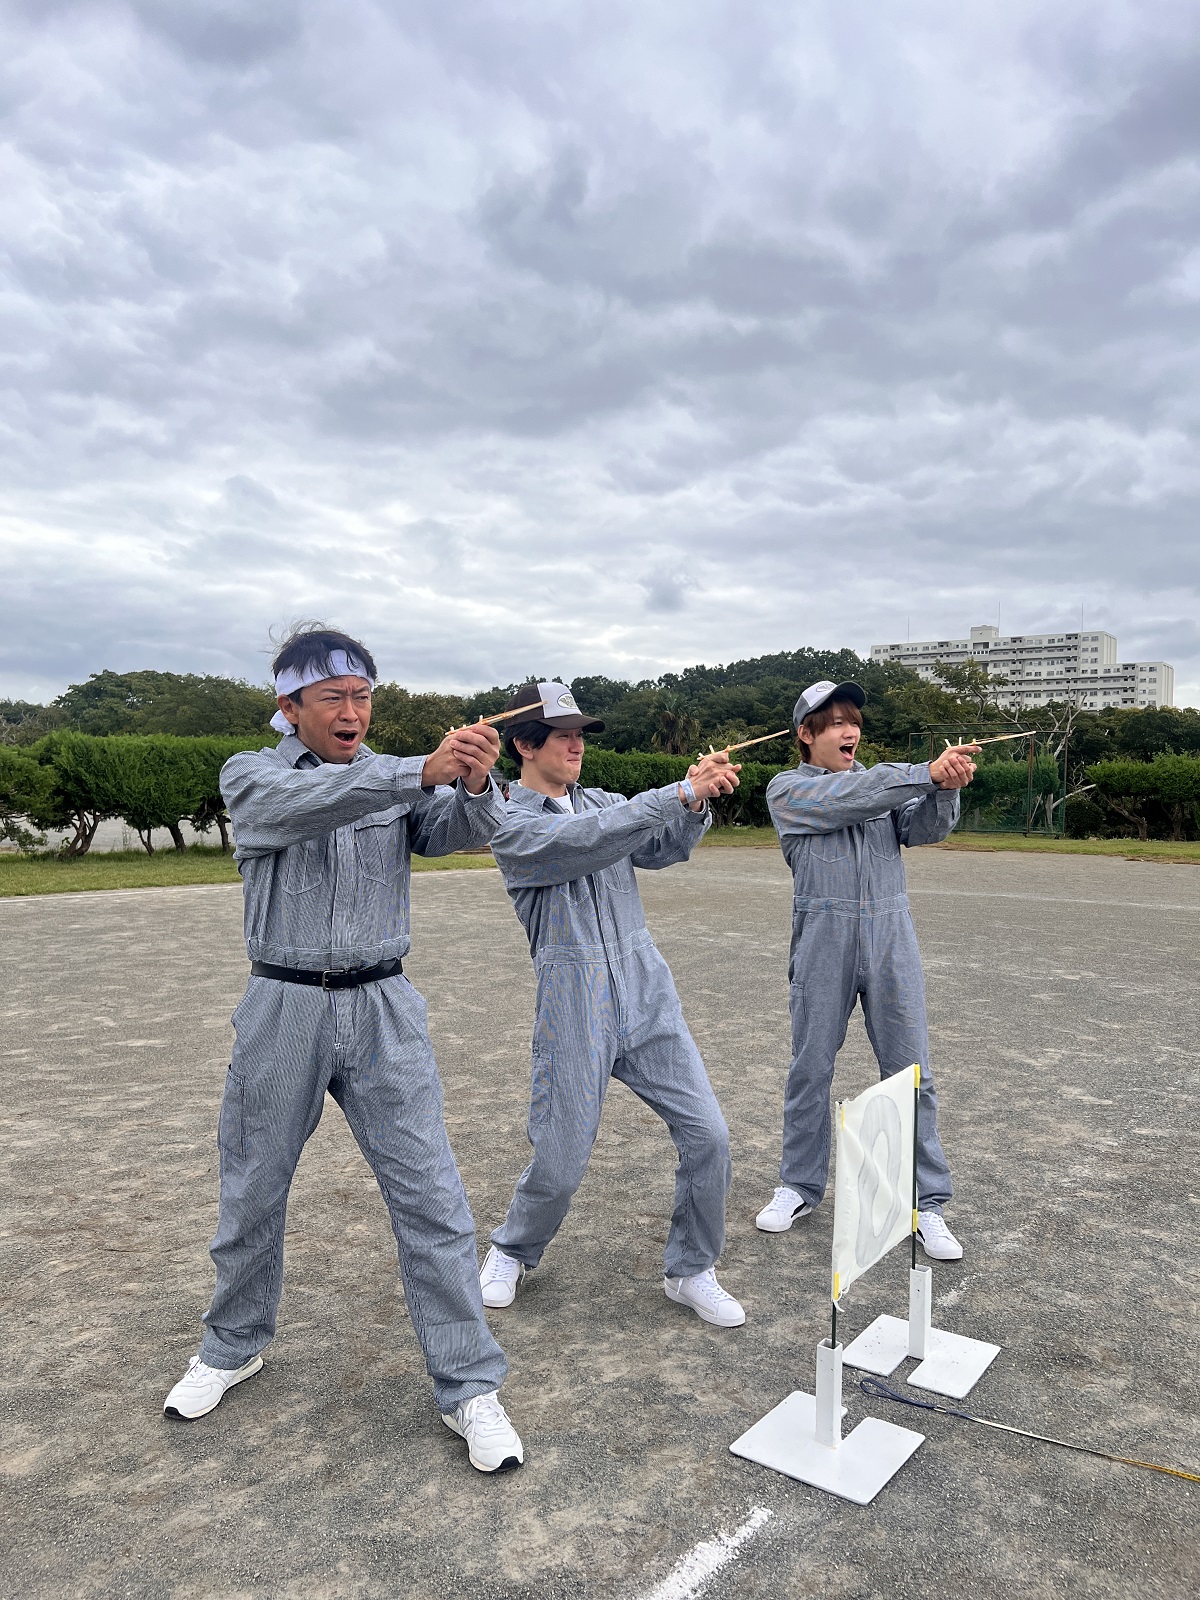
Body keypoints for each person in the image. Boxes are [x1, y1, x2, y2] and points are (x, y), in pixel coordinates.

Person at [163, 625, 523, 1474]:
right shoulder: (250, 775)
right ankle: (231, 1344)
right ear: (289, 708)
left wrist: (473, 777)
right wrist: (417, 771)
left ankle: (470, 1385)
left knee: (432, 1197)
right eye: (333, 698)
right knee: (253, 1186)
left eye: (364, 696)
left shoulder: (396, 780)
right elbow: (308, 805)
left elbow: (459, 830)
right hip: (281, 1001)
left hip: (383, 1005)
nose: (354, 711)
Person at [478, 682, 746, 1328]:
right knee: (561, 1159)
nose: (577, 744)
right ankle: (513, 1247)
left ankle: (690, 1268)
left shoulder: (600, 800)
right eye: (562, 733)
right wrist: (672, 795)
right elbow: (589, 841)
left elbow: (661, 845)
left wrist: (694, 801)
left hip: (645, 989)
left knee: (710, 1133)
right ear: (523, 743)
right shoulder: (509, 823)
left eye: (579, 733)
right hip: (574, 1000)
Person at [755, 680, 978, 1262]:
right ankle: (798, 1186)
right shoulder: (788, 791)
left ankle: (926, 1202)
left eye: (852, 721)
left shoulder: (884, 788)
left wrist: (945, 790)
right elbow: (849, 799)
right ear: (805, 735)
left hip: (890, 935)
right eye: (832, 723)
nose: (848, 731)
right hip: (822, 937)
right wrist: (921, 774)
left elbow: (924, 827)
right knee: (810, 1066)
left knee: (912, 1072)